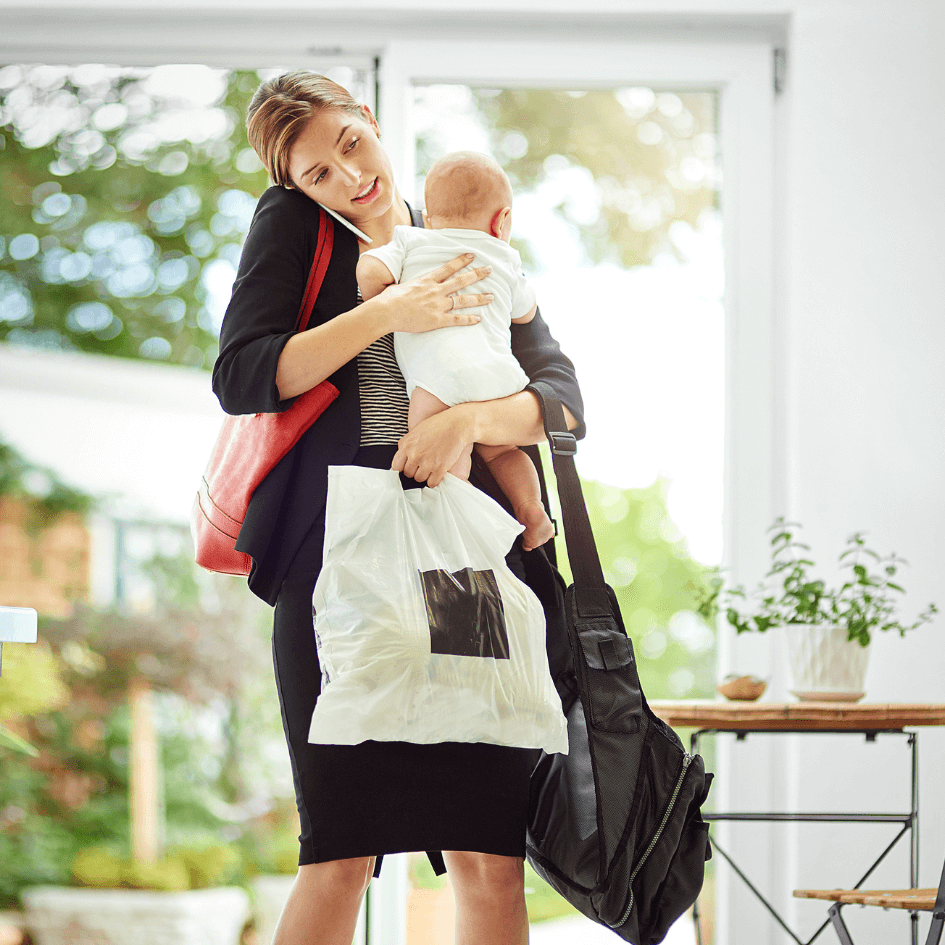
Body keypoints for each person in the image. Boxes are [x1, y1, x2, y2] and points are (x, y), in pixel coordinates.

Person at [212, 70, 584, 945]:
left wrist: (467, 422)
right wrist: (389, 310)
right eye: (317, 173)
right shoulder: (298, 229)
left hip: (462, 566)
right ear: (295, 187)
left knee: (489, 857)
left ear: (370, 121)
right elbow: (242, 376)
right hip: (343, 558)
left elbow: (562, 399)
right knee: (338, 850)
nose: (348, 177)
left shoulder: (458, 229)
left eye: (349, 145)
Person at [357, 151, 555, 551]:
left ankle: (454, 525)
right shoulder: (506, 256)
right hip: (499, 376)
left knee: (440, 453)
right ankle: (531, 508)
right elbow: (525, 312)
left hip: (439, 374)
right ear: (502, 221)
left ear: (428, 217)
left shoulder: (412, 239)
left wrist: (389, 299)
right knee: (505, 452)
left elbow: (369, 272)